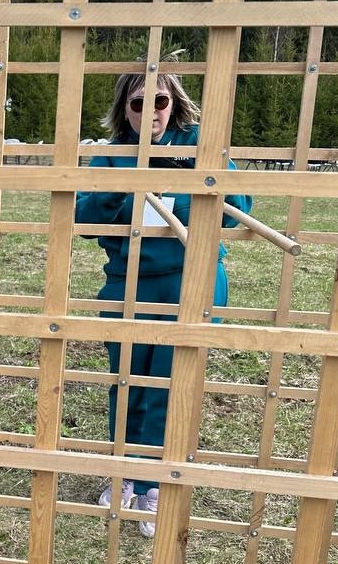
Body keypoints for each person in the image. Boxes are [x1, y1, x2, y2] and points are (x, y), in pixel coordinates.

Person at [75, 67, 252, 537]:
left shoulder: (197, 145)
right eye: (139, 102)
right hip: (129, 282)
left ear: (174, 104)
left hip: (191, 281)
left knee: (171, 383)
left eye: (160, 101)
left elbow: (239, 209)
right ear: (125, 108)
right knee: (128, 379)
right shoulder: (112, 155)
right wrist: (121, 188)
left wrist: (195, 180)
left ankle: (156, 483)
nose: (150, 112)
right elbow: (84, 218)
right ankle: (125, 471)